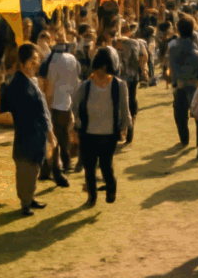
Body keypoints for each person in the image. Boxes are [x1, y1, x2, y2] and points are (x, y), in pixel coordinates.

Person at [72, 48, 131, 207]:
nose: (102, 74)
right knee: (89, 168)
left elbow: (125, 109)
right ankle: (92, 197)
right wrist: (75, 128)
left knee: (106, 166)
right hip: (88, 133)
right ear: (94, 68)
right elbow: (74, 109)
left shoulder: (119, 86)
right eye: (99, 70)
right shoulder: (84, 86)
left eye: (105, 71)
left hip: (109, 134)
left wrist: (125, 128)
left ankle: (111, 186)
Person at [0, 44, 53, 217]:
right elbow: (8, 110)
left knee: (34, 169)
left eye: (37, 60)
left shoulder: (30, 81)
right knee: (26, 170)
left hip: (37, 134)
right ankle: (25, 203)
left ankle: (30, 198)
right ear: (23, 63)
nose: (37, 64)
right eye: (33, 60)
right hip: (27, 134)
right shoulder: (16, 84)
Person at [37, 30, 76, 185]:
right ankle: (63, 164)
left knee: (51, 138)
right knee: (63, 136)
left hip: (54, 103)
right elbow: (74, 82)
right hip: (66, 102)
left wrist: (46, 105)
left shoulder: (50, 60)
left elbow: (47, 84)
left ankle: (52, 168)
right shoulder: (72, 59)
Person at [168, 15, 198, 155]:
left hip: (180, 85)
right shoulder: (196, 47)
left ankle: (184, 139)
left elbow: (171, 67)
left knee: (180, 115)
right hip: (195, 84)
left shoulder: (173, 47)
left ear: (178, 30)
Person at [114, 23, 148, 143]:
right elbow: (143, 58)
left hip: (121, 78)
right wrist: (142, 70)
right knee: (131, 99)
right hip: (133, 76)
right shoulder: (138, 43)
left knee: (120, 103)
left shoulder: (116, 46)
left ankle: (122, 130)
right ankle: (131, 122)